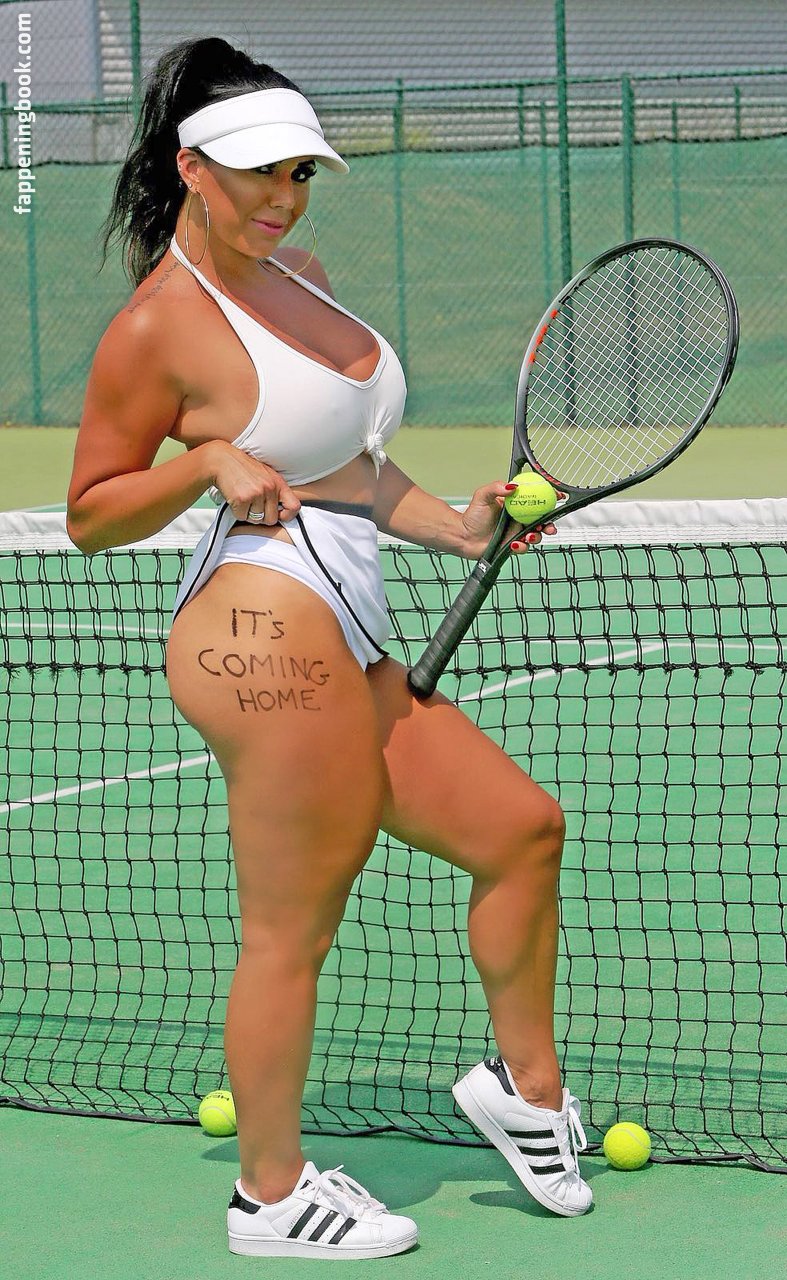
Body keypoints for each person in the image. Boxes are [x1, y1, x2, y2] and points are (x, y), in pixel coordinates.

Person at [67, 37, 592, 1261]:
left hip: (344, 628)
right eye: (258, 170)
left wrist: (456, 526)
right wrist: (204, 461)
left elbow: (344, 466)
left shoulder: (297, 274)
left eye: (299, 171)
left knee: (520, 828)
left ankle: (525, 1092)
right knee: (294, 922)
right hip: (257, 631)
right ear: (191, 167)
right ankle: (269, 1195)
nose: (283, 196)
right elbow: (90, 511)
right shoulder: (157, 327)